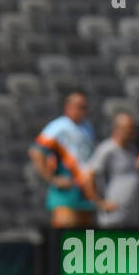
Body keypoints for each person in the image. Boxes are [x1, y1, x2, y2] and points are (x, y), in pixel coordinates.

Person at [30, 90, 95, 228]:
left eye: (85, 107)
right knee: (66, 235)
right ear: (68, 107)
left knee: (86, 238)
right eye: (80, 107)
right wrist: (52, 179)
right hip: (65, 192)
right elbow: (36, 151)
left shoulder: (87, 127)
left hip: (84, 191)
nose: (83, 111)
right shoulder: (58, 127)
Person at [84, 111, 139, 228]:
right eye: (127, 128)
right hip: (113, 215)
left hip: (132, 215)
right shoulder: (106, 150)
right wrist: (99, 202)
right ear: (116, 129)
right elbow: (88, 176)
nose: (131, 131)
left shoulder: (132, 149)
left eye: (132, 128)